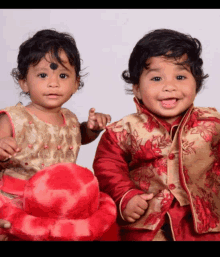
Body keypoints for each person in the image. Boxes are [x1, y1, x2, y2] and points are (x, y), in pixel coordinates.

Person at [93, 28, 220, 241]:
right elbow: (108, 167)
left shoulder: (213, 123)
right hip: (149, 225)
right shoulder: (123, 131)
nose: (169, 86)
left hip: (204, 224)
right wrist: (126, 197)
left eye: (180, 76)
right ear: (137, 89)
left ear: (196, 84)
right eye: (156, 78)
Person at [0, 29, 112, 240]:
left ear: (76, 83)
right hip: (17, 202)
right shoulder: (14, 118)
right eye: (42, 75)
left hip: (59, 204)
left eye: (63, 75)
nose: (54, 83)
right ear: (24, 81)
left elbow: (77, 138)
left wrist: (91, 129)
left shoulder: (69, 118)